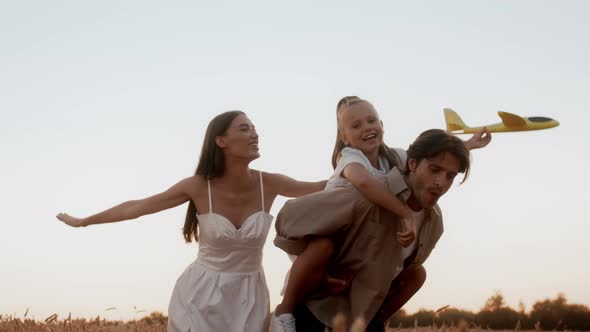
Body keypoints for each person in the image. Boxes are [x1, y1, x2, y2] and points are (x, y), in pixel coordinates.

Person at [56, 111, 326, 332]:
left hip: (249, 296)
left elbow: (326, 187)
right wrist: (85, 222)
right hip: (200, 295)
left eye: (254, 128)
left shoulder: (270, 183)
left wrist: (355, 160)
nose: (255, 134)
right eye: (245, 128)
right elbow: (137, 207)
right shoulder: (198, 186)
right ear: (221, 141)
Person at [274, 125, 491, 331]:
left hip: (366, 317)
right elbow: (290, 218)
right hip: (320, 314)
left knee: (417, 274)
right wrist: (322, 268)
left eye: (450, 176)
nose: (441, 183)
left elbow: (397, 271)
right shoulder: (370, 194)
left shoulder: (434, 221)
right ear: (413, 164)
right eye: (434, 170)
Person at [271, 96, 417, 332]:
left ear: (382, 124)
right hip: (325, 234)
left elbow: (427, 156)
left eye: (371, 120)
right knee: (323, 247)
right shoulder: (350, 158)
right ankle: (283, 312)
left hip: (358, 242)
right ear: (343, 137)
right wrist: (405, 214)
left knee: (415, 275)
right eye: (356, 125)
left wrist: (467, 144)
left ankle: (373, 319)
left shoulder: (392, 157)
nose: (367, 127)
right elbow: (364, 182)